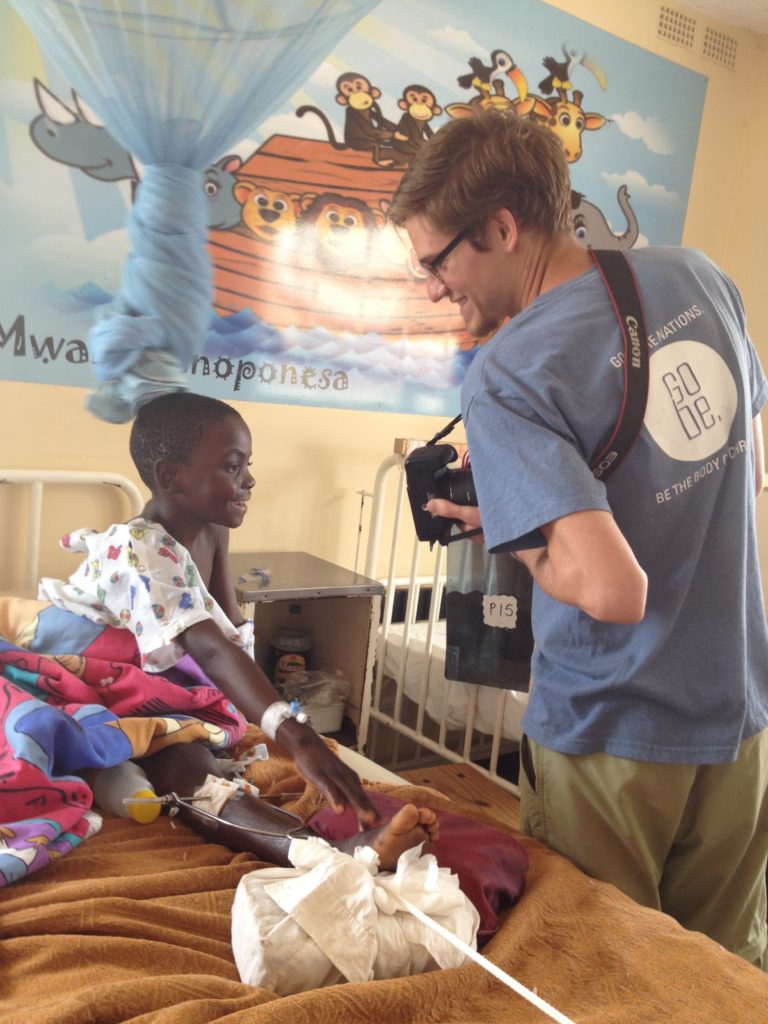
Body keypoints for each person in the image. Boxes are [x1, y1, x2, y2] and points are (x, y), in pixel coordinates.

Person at [387, 109, 768, 967]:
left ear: (501, 227)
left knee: (601, 972)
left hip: (612, 730)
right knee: (723, 976)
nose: (434, 288)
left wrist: (525, 543)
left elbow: (613, 590)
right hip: (737, 714)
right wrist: (528, 506)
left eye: (436, 261)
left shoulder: (511, 368)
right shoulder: (701, 278)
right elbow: (736, 473)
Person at [39, 391, 438, 869]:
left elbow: (229, 634)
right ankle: (326, 854)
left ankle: (122, 766)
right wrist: (298, 737)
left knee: (189, 750)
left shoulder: (212, 530)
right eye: (233, 466)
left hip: (148, 682)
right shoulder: (140, 547)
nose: (249, 480)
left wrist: (266, 714)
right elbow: (206, 650)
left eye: (247, 463)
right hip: (83, 681)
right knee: (188, 771)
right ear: (171, 476)